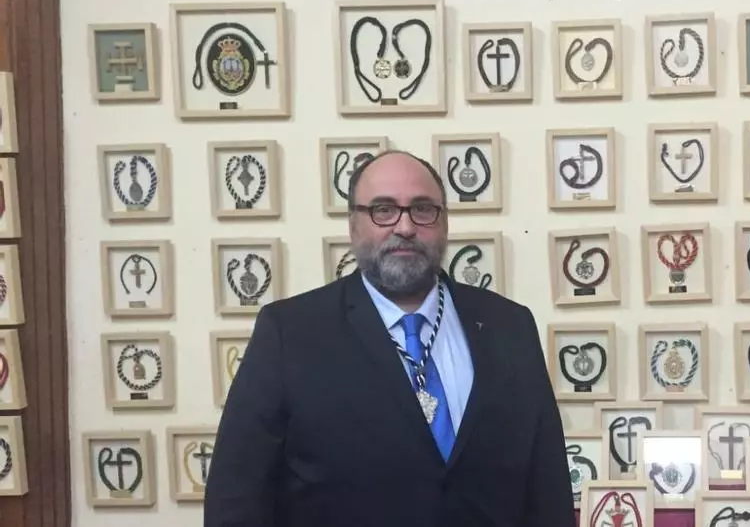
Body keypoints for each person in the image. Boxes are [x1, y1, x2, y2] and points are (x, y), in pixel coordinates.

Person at [203, 150, 574, 527]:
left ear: (444, 222)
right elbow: (236, 498)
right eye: (383, 210)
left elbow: (548, 490)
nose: (405, 227)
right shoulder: (290, 333)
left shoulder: (510, 327)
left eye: (422, 209)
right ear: (353, 225)